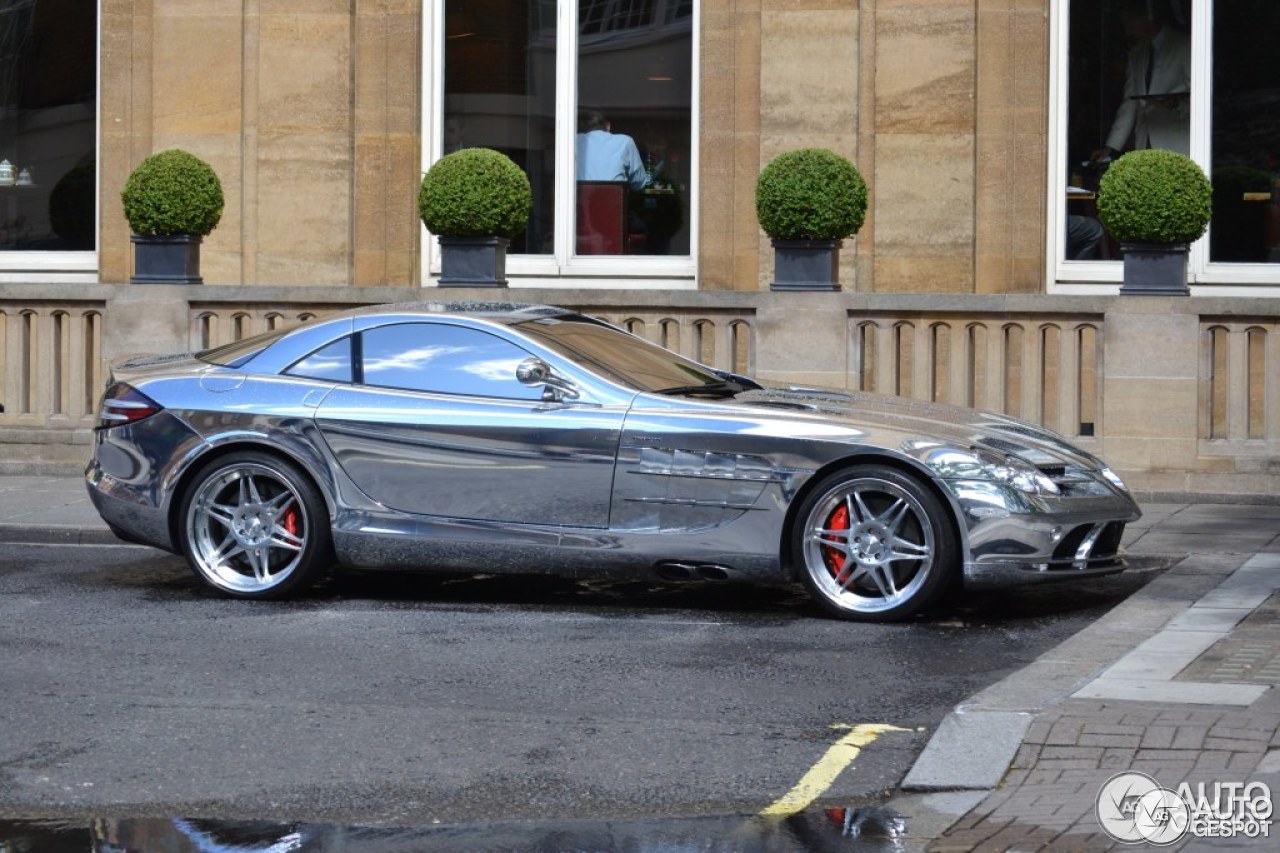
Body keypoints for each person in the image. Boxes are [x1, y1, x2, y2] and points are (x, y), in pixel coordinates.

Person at [1092, 0, 1191, 160]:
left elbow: (1201, 99)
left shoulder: (1185, 45)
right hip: (1144, 142)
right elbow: (1129, 103)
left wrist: (1176, 104)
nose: (1128, 32)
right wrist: (1111, 147)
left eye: (1130, 26)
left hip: (1176, 143)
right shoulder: (1136, 54)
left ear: (1148, 18)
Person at [576, 110, 648, 191]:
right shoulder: (625, 141)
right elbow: (639, 182)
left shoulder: (573, 141)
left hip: (581, 201)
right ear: (608, 126)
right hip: (614, 200)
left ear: (583, 129)